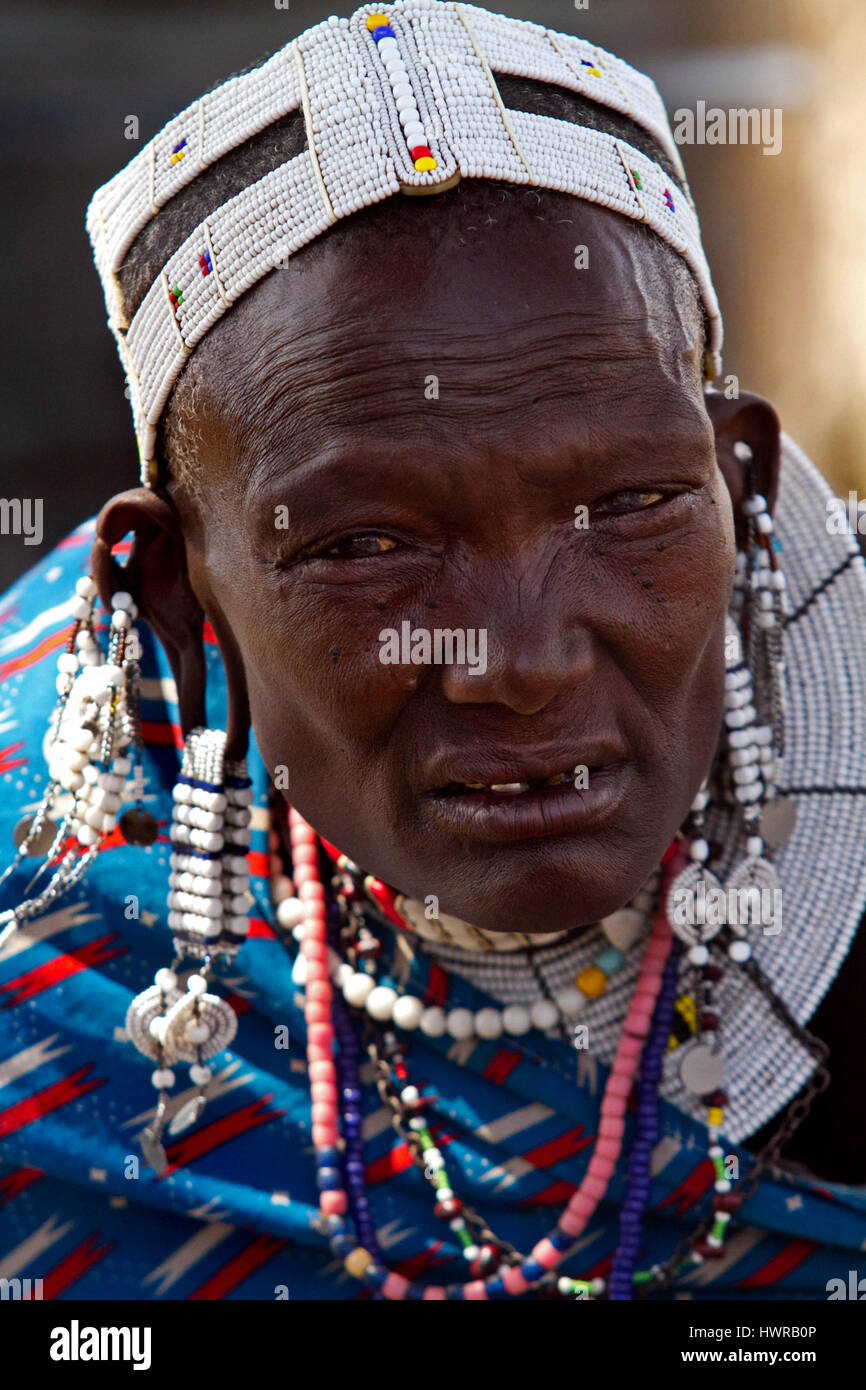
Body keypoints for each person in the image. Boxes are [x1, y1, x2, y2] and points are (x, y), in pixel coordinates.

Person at [1, 0, 865, 1301]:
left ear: (733, 485)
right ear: (178, 595)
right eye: (364, 546)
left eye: (628, 505)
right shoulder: (42, 934)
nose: (516, 660)